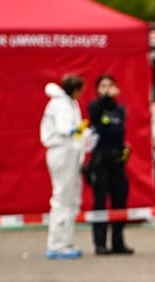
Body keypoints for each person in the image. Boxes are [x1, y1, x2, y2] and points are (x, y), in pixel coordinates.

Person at [39, 74, 89, 260]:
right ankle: (57, 245)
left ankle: (65, 241)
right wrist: (79, 130)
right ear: (74, 89)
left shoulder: (69, 103)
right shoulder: (61, 104)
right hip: (62, 152)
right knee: (62, 197)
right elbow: (64, 128)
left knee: (71, 198)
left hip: (69, 152)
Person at [87, 73, 134, 255]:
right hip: (100, 160)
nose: (107, 89)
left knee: (120, 200)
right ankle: (100, 243)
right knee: (100, 202)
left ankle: (118, 241)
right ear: (98, 90)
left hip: (116, 160)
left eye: (110, 85)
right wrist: (105, 97)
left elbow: (118, 130)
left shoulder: (119, 109)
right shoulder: (95, 107)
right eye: (103, 86)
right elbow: (96, 113)